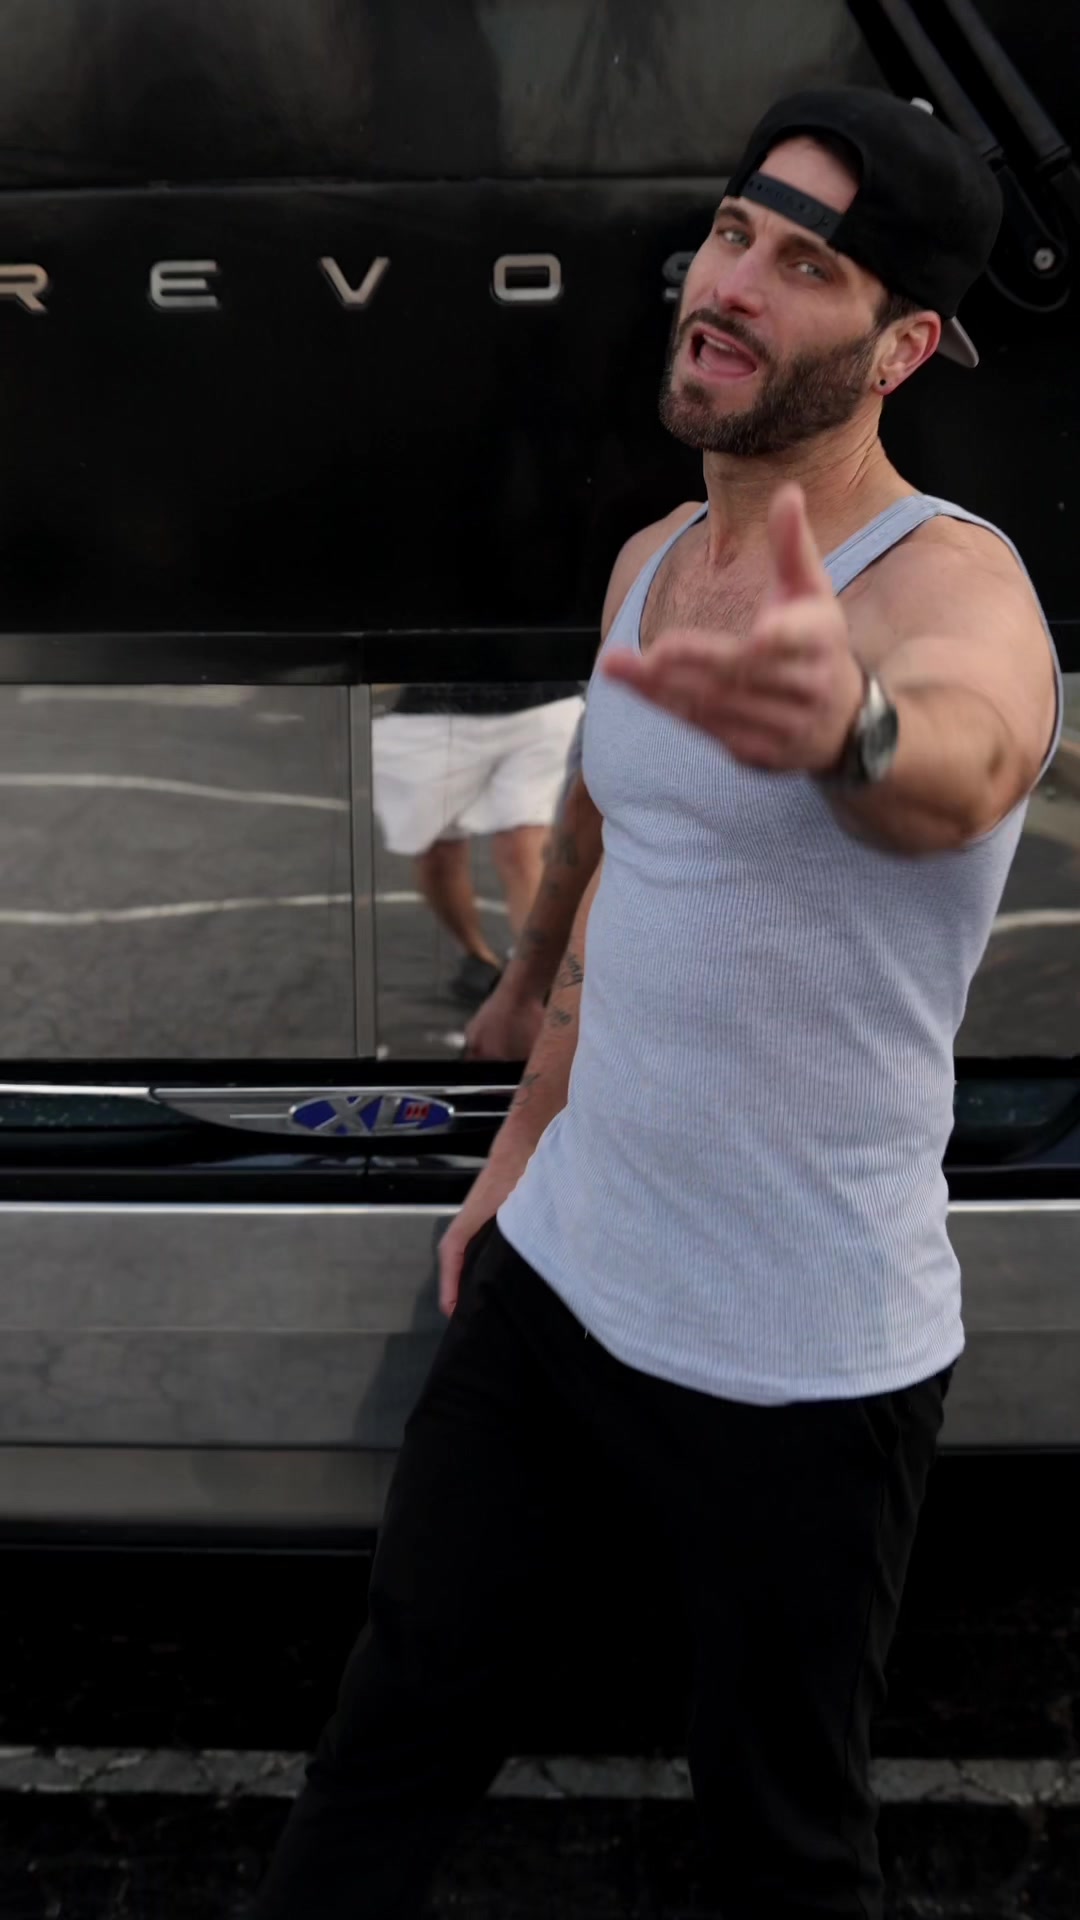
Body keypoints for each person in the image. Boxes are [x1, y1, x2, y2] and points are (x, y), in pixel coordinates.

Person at [248, 88, 1060, 1919]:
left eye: (809, 264)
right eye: (733, 233)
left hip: (799, 1362)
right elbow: (623, 831)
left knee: (785, 1849)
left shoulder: (950, 581)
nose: (731, 282)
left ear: (902, 348)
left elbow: (971, 751)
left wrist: (849, 726)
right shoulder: (649, 561)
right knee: (389, 1735)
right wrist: (524, 1101)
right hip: (562, 1286)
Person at [372, 679, 584, 1006]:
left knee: (522, 846)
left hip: (543, 701)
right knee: (436, 855)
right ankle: (476, 955)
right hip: (430, 713)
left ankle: (534, 982)